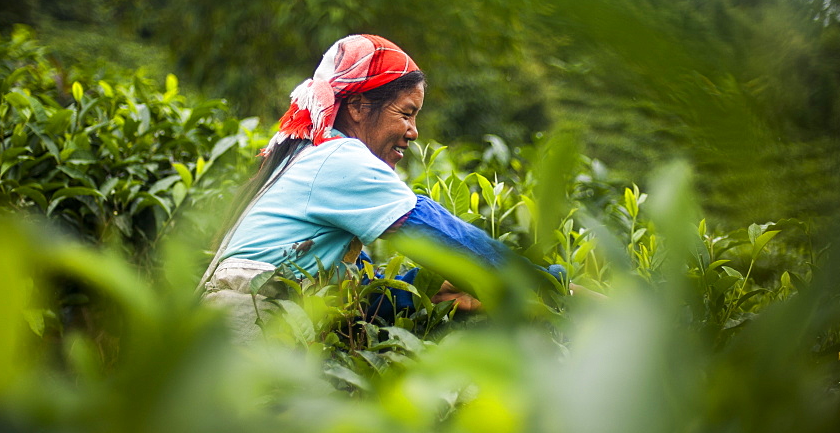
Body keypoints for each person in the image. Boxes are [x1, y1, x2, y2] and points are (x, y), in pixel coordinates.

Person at [200, 34, 566, 338]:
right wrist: (555, 287)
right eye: (405, 113)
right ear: (358, 106)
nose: (413, 132)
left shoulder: (310, 157)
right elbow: (435, 231)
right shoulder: (338, 158)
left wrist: (430, 292)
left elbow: (359, 295)